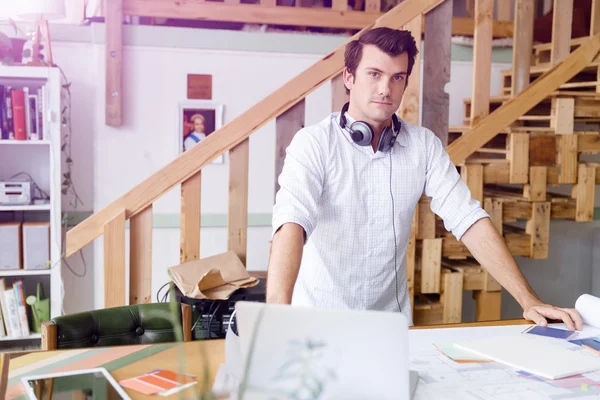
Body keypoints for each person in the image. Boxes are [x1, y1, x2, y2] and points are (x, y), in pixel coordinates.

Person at [267, 27, 583, 330]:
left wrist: (528, 300)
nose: (385, 89)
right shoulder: (313, 143)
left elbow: (468, 219)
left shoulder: (423, 145)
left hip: (390, 328)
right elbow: (291, 225)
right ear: (349, 78)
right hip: (317, 326)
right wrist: (276, 322)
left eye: (397, 78)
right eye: (374, 74)